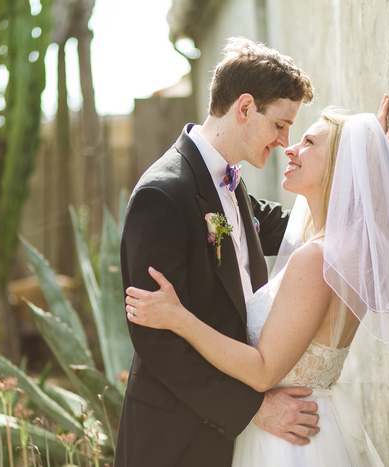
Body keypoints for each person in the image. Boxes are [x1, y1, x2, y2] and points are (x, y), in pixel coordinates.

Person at [124, 110, 389, 466]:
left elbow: (264, 369)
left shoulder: (315, 259)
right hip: (315, 422)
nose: (289, 148)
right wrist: (368, 165)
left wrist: (178, 317)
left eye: (308, 142)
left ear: (341, 167)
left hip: (288, 440)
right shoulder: (352, 250)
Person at [114, 37, 318, 467]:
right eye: (280, 124)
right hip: (177, 438)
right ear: (244, 108)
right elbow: (155, 339)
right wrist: (253, 408)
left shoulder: (230, 180)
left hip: (235, 432)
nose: (285, 141)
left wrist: (362, 168)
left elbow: (294, 228)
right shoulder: (162, 194)